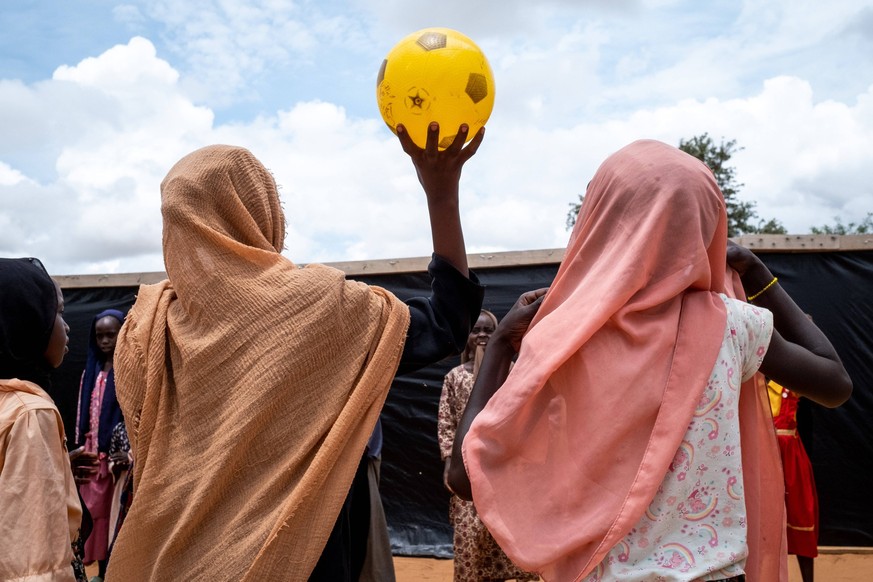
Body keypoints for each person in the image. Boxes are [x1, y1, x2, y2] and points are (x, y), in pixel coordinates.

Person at [447, 140, 852, 581]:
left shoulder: (562, 337)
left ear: (601, 222)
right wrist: (756, 272)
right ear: (707, 225)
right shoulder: (734, 327)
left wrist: (504, 342)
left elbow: (465, 478)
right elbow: (834, 383)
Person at [106, 121, 485, 581]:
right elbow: (448, 320)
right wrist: (441, 193)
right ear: (257, 208)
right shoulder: (317, 306)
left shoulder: (144, 328)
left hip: (177, 561)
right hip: (304, 559)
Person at [0, 257, 86, 581]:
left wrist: (57, 477)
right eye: (57, 311)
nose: (65, 326)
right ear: (25, 319)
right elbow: (36, 566)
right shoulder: (31, 412)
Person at [438, 309, 538, 582]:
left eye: (488, 330)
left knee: (508, 532)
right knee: (471, 534)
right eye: (476, 330)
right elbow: (447, 422)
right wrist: (449, 462)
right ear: (467, 337)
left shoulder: (515, 372)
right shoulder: (455, 377)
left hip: (505, 465)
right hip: (466, 468)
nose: (482, 335)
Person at [74, 309, 126, 579]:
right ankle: (95, 568)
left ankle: (110, 570)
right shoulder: (91, 372)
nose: (105, 341)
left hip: (114, 457)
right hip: (93, 454)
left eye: (111, 335)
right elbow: (84, 411)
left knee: (112, 511)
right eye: (100, 336)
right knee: (91, 512)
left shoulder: (127, 371)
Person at [768, 378, 818, 582]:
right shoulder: (754, 390)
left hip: (791, 457)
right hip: (764, 453)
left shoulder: (792, 386)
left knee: (801, 512)